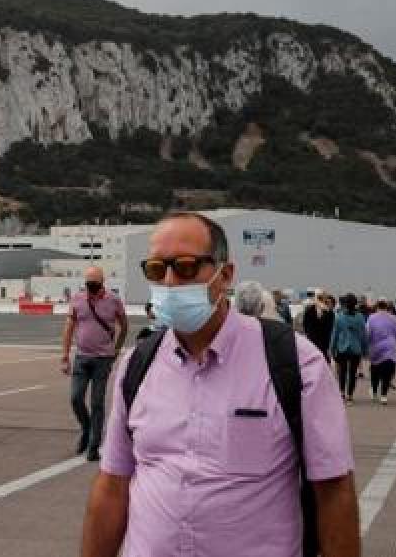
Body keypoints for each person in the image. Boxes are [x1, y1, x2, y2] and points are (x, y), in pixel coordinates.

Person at [82, 212, 360, 557]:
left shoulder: (296, 362)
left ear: (225, 274)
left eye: (185, 267)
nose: (169, 281)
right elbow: (112, 485)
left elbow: (334, 491)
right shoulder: (137, 365)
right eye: (156, 269)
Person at [61, 266, 128, 462]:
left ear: (103, 283)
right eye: (88, 284)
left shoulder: (114, 301)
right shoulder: (78, 300)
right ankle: (87, 427)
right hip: (82, 357)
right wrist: (65, 356)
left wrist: (116, 349)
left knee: (97, 403)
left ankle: (93, 445)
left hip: (103, 360)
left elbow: (124, 325)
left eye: (95, 284)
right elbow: (68, 328)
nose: (91, 288)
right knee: (76, 398)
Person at [330, 294, 368, 404]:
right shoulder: (360, 317)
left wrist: (332, 349)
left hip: (342, 348)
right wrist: (365, 350)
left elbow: (334, 334)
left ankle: (342, 393)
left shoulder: (339, 316)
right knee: (352, 373)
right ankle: (350, 395)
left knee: (342, 372)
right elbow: (363, 335)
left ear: (345, 304)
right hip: (356, 349)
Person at [366, 300, 396, 404]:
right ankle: (384, 395)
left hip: (376, 348)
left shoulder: (371, 318)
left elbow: (368, 333)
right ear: (387, 307)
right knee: (388, 372)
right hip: (390, 347)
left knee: (375, 370)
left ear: (377, 307)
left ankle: (374, 392)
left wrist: (367, 346)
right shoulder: (394, 318)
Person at [304, 292, 335, 362]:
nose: (320, 300)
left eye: (322, 298)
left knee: (325, 362)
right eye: (319, 297)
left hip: (325, 343)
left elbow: (331, 328)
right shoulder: (309, 311)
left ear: (325, 299)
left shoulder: (329, 312)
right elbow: (306, 326)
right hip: (313, 342)